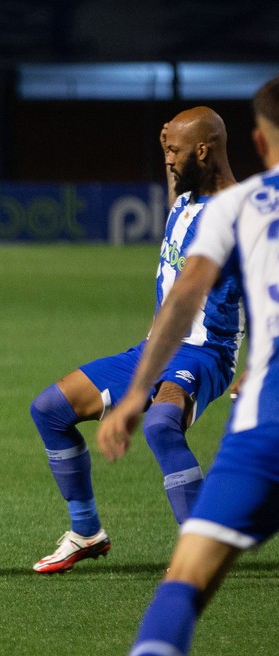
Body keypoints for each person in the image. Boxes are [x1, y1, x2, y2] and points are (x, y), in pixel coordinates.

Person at [98, 75, 279, 656]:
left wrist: (133, 397)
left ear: (257, 137)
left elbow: (182, 301)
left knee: (183, 583)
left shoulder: (238, 208)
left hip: (267, 420)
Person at [29, 107, 244, 574]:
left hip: (206, 352)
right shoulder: (190, 198)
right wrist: (167, 148)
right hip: (155, 347)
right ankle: (86, 531)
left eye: (174, 152)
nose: (167, 160)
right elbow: (179, 196)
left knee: (161, 426)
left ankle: (200, 552)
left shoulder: (238, 216)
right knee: (49, 409)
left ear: (203, 152)